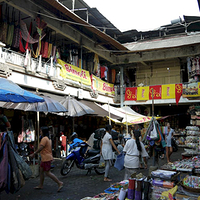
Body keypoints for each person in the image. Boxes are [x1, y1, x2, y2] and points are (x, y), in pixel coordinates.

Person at [30, 127, 63, 192]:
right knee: (41, 171)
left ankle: (59, 183)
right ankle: (41, 185)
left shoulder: (44, 139)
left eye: (41, 131)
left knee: (47, 172)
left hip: (46, 158)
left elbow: (41, 148)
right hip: (46, 157)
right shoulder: (48, 139)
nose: (40, 132)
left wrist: (34, 153)